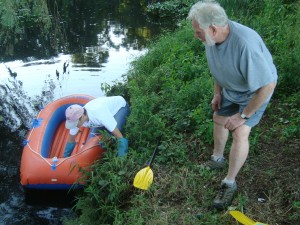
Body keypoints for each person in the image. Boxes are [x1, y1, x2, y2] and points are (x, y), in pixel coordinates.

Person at [187, 1, 277, 209]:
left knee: (239, 132)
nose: (196, 35)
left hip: (255, 91)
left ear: (213, 29)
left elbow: (267, 85)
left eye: (198, 31)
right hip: (232, 88)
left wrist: (243, 116)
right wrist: (217, 93)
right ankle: (217, 159)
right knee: (218, 118)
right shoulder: (212, 39)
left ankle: (229, 183)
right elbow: (220, 67)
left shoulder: (245, 45)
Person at [63, 96, 130, 158]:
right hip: (103, 116)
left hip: (119, 108)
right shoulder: (76, 119)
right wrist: (64, 158)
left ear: (83, 116)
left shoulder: (98, 114)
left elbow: (120, 136)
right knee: (90, 144)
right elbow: (71, 140)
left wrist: (121, 159)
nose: (74, 126)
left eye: (75, 123)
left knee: (114, 134)